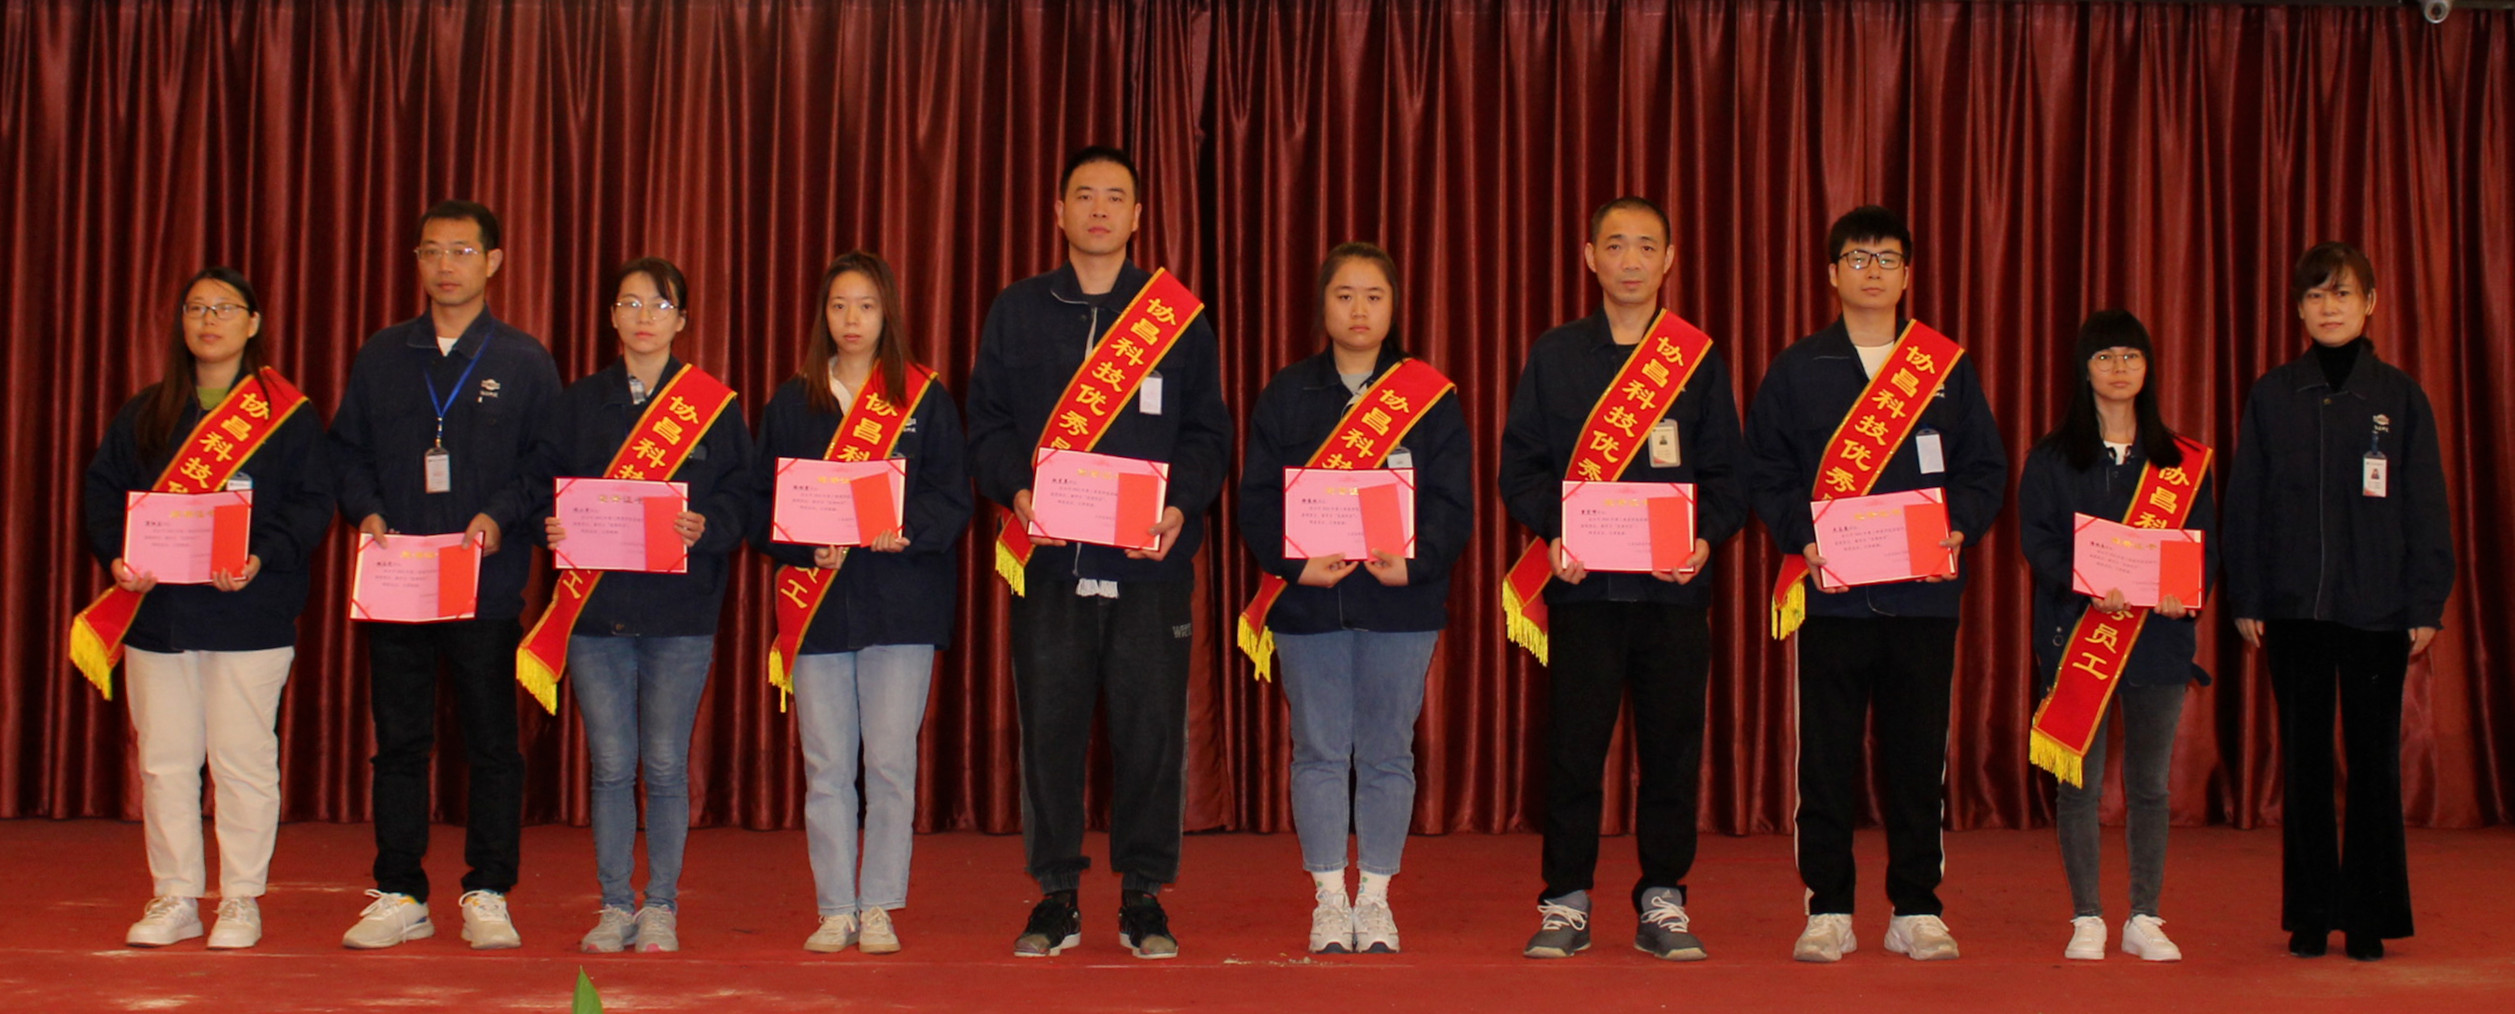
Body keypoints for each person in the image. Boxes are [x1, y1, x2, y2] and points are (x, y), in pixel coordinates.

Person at [963, 145, 1232, 959]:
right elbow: (986, 424)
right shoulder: (1017, 310)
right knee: (1049, 732)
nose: (1099, 210)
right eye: (1084, 195)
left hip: (1149, 566)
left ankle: (1143, 895)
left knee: (1150, 734)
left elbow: (1207, 431)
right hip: (1050, 562)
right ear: (1058, 211)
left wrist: (1180, 505)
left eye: (1116, 196)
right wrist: (1017, 490)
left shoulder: (1173, 318)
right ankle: (1055, 895)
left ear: (1138, 215)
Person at [1745, 205, 2006, 962]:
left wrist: (1959, 524)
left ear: (1906, 273)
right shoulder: (1799, 368)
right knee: (1826, 760)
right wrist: (1801, 536)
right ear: (1831, 273)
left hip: (1923, 597)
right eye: (1857, 258)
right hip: (1832, 596)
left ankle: (1915, 906)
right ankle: (1827, 907)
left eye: (1887, 258)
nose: (1872, 271)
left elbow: (1985, 469)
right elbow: (1766, 470)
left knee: (1917, 758)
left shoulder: (1943, 367)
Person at [1497, 198, 1745, 961]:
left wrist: (1703, 538)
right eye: (1614, 245)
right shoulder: (1555, 355)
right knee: (1574, 751)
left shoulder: (1694, 358)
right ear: (1589, 257)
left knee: (1671, 750)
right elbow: (1520, 468)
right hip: (1585, 590)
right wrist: (1557, 528)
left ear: (1667, 260)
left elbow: (1728, 475)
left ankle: (1662, 896)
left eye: (1644, 246)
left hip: (1672, 593)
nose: (1629, 260)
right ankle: (1565, 899)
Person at [330, 200, 560, 950]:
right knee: (399, 743)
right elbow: (346, 452)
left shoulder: (523, 360)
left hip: (483, 582)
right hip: (398, 579)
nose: (445, 266)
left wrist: (499, 515)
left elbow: (546, 463)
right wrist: (366, 511)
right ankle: (400, 891)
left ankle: (488, 889)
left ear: (493, 262)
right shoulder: (382, 355)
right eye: (431, 251)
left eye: (462, 251)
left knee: (491, 744)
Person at [79, 267, 332, 949]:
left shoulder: (287, 415)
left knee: (241, 759)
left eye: (224, 308)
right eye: (196, 308)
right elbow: (104, 491)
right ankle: (176, 895)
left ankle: (241, 898)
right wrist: (117, 556)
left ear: (253, 323)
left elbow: (313, 503)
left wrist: (261, 556)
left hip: (249, 612)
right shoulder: (148, 411)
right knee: (164, 761)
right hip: (158, 614)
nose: (208, 320)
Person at [1235, 242, 1471, 954]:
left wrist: (1416, 562)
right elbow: (1255, 498)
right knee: (1317, 752)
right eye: (1344, 295)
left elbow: (1452, 502)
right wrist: (1294, 564)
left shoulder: (1428, 396)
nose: (1359, 309)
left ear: (1394, 306)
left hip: (1401, 605)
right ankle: (1328, 899)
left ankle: (1375, 898)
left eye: (1374, 295)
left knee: (1388, 753)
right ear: (1322, 306)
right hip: (1309, 605)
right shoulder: (1288, 392)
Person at [2223, 242, 2452, 962]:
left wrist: (2425, 601)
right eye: (2316, 296)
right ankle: (2311, 912)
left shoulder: (2399, 397)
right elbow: (2246, 502)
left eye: (2343, 294)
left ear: (2370, 303)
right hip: (2293, 609)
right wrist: (2246, 593)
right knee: (2305, 764)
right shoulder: (2272, 394)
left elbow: (2426, 504)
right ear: (2298, 309)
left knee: (2374, 764)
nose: (2330, 308)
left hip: (2378, 609)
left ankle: (2369, 915)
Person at [526, 257, 751, 953]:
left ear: (682, 320)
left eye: (659, 305)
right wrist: (548, 524)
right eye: (630, 303)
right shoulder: (576, 403)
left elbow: (744, 497)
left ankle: (661, 906)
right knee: (611, 766)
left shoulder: (712, 405)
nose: (644, 317)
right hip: (596, 614)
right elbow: (539, 485)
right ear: (612, 318)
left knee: (665, 765)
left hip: (680, 613)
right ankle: (614, 904)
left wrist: (708, 525)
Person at [752, 252, 970, 954]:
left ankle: (878, 905)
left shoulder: (922, 397)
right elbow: (761, 504)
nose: (852, 320)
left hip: (902, 605)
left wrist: (906, 529)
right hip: (817, 606)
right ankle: (834, 906)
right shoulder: (793, 401)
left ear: (888, 315)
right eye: (839, 305)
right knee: (825, 766)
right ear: (823, 314)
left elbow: (953, 497)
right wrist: (799, 549)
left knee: (889, 765)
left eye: (867, 306)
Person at [2017, 310, 2215, 962]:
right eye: (2104, 357)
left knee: (2150, 785)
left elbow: (2205, 548)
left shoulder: (2180, 460)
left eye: (2130, 356)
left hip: (2157, 640)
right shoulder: (2051, 458)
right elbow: (2038, 541)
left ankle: (2145, 916)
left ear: (2148, 368)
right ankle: (2087, 917)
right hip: (2077, 636)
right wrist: (2083, 582)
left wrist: (2185, 597)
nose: (2118, 368)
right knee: (2079, 784)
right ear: (2084, 370)